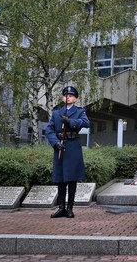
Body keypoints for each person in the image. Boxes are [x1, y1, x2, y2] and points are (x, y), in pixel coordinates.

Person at [45, 86, 90, 218]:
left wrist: (70, 122)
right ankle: (61, 208)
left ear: (75, 98)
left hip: (73, 146)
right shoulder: (56, 113)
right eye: (65, 95)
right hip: (60, 146)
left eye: (70, 95)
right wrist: (55, 143)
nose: (68, 97)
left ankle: (70, 208)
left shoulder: (80, 111)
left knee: (71, 179)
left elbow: (86, 123)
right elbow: (49, 130)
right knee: (60, 179)